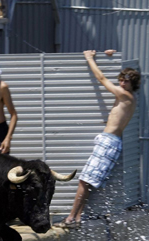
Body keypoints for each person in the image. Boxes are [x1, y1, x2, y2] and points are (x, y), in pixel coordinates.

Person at [54, 50, 141, 230]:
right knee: (87, 181)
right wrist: (109, 53)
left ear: (133, 84)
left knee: (84, 181)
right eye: (121, 79)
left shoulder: (125, 95)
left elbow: (101, 79)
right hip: (110, 142)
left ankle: (70, 219)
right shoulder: (130, 98)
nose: (122, 83)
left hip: (108, 143)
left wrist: (89, 58)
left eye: (127, 81)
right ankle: (76, 219)